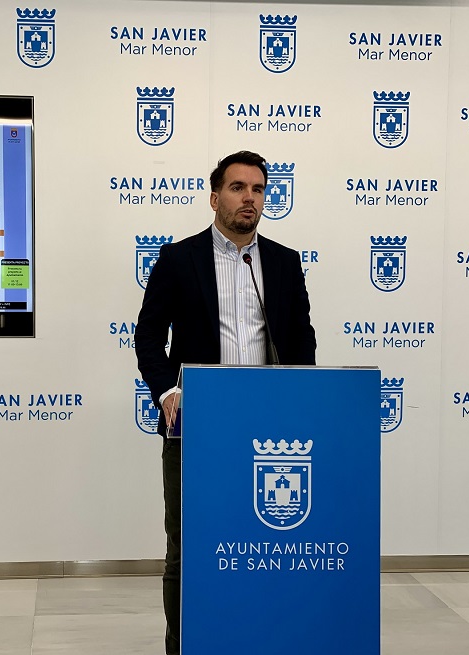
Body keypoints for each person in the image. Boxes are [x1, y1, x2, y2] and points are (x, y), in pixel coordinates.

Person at [134, 150, 316, 655]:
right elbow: (148, 337)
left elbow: (301, 338)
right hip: (196, 427)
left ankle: (255, 635)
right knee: (188, 549)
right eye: (238, 188)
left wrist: (304, 395)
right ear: (215, 198)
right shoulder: (178, 259)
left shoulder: (283, 262)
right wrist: (167, 390)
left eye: (258, 189)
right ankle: (183, 644)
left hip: (267, 429)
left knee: (260, 543)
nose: (249, 198)